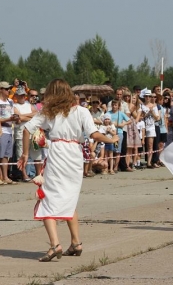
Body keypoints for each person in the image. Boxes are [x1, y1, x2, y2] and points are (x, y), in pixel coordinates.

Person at [17, 79, 119, 262]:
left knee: (46, 199)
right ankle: (76, 243)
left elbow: (27, 129)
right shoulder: (82, 111)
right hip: (75, 155)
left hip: (57, 154)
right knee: (68, 198)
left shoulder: (48, 112)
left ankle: (55, 245)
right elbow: (94, 134)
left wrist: (25, 154)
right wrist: (111, 140)